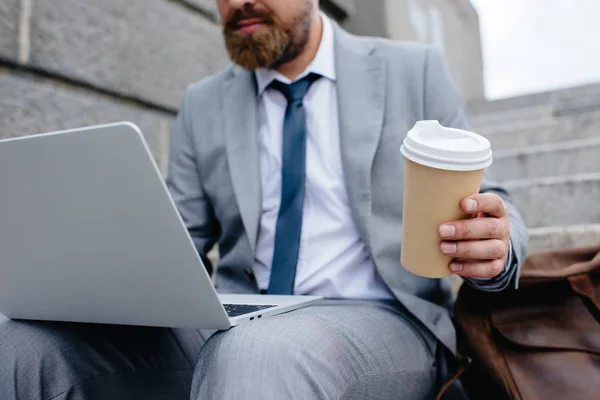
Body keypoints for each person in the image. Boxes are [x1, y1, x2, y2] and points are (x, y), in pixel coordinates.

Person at [0, 0, 528, 398]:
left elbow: (488, 198)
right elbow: (174, 237)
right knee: (22, 345)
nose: (239, 1)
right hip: (235, 319)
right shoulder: (204, 101)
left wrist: (498, 246)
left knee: (257, 354)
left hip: (382, 318)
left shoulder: (412, 69)